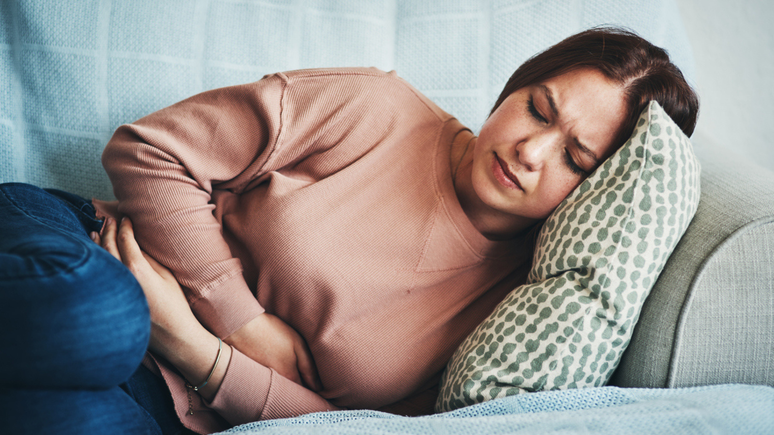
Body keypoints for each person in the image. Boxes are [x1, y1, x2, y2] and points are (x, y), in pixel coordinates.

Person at [0, 27, 698, 435]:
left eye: (575, 159)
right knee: (101, 321)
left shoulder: (513, 314)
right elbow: (149, 151)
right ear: (512, 88)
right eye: (538, 109)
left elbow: (364, 427)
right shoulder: (377, 107)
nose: (531, 150)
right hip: (90, 256)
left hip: (164, 408)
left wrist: (196, 346)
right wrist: (239, 319)